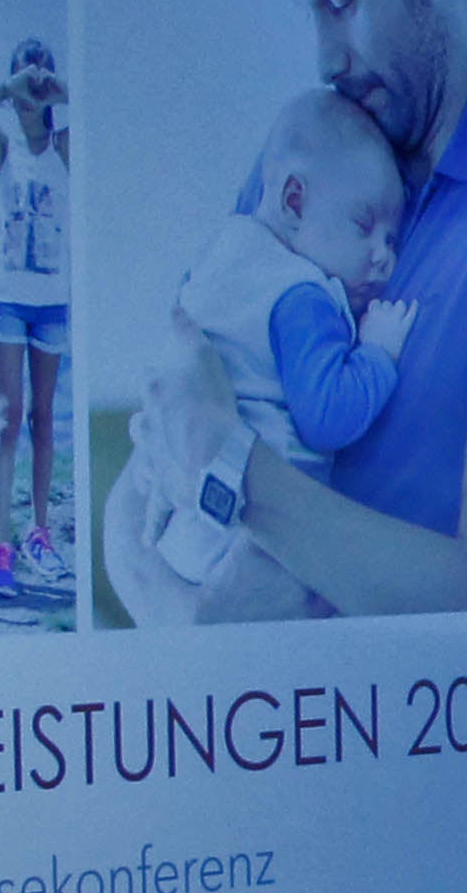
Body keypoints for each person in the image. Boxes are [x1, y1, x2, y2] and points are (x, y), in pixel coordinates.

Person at [115, 0, 467, 619]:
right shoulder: (312, 158)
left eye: (342, 0)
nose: (326, 57)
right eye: (313, 11)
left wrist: (231, 470)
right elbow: (149, 455)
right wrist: (181, 623)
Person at [147, 89, 407, 612]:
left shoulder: (225, 248)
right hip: (248, 538)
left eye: (393, 239)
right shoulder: (301, 294)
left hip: (183, 520)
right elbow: (327, 417)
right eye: (365, 226)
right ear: (295, 200)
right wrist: (378, 355)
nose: (385, 258)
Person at [0, 37, 71, 590]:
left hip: (53, 298)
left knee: (43, 418)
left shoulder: (65, 146)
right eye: (26, 77)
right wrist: (7, 90)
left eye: (41, 77)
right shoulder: (3, 145)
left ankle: (40, 531)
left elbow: (108, 125)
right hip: (7, 293)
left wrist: (57, 89)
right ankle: (1, 542)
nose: (34, 86)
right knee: (8, 416)